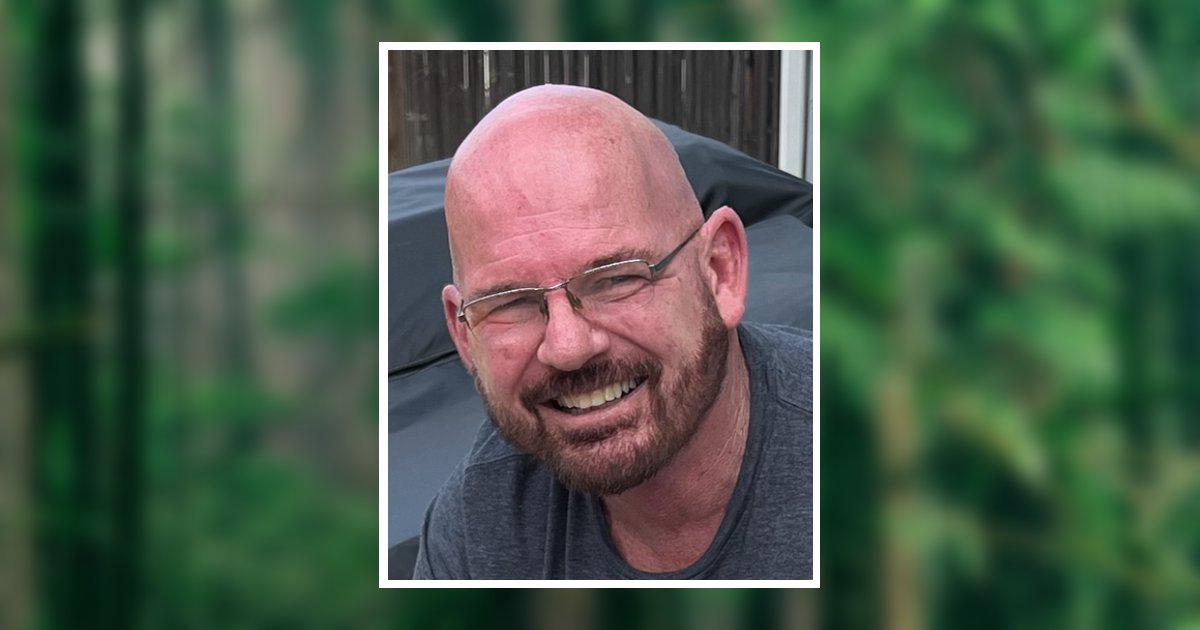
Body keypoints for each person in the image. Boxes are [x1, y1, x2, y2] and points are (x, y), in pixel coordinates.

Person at [413, 84, 813, 579]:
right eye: (511, 303)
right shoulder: (481, 524)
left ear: (719, 270)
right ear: (464, 337)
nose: (567, 347)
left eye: (615, 279)